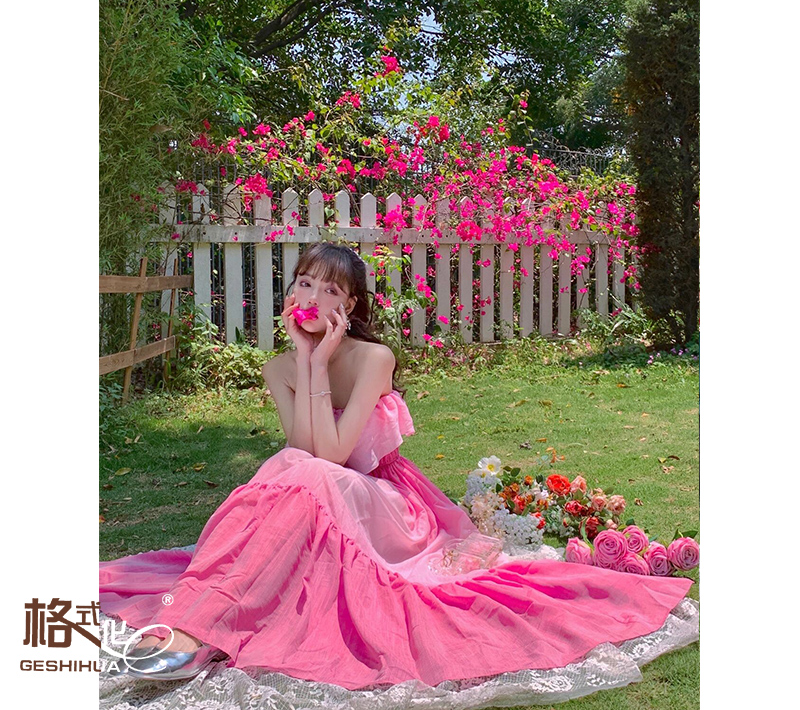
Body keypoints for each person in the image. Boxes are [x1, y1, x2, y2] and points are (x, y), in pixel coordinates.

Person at [99, 242, 698, 706]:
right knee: (291, 466)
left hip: (383, 501)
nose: (312, 296)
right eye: (304, 282)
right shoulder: (279, 366)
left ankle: (194, 627)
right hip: (317, 489)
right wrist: (303, 360)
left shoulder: (373, 358)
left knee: (298, 471)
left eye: (330, 289)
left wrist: (321, 362)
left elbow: (335, 455)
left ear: (349, 307)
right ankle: (197, 620)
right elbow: (304, 450)